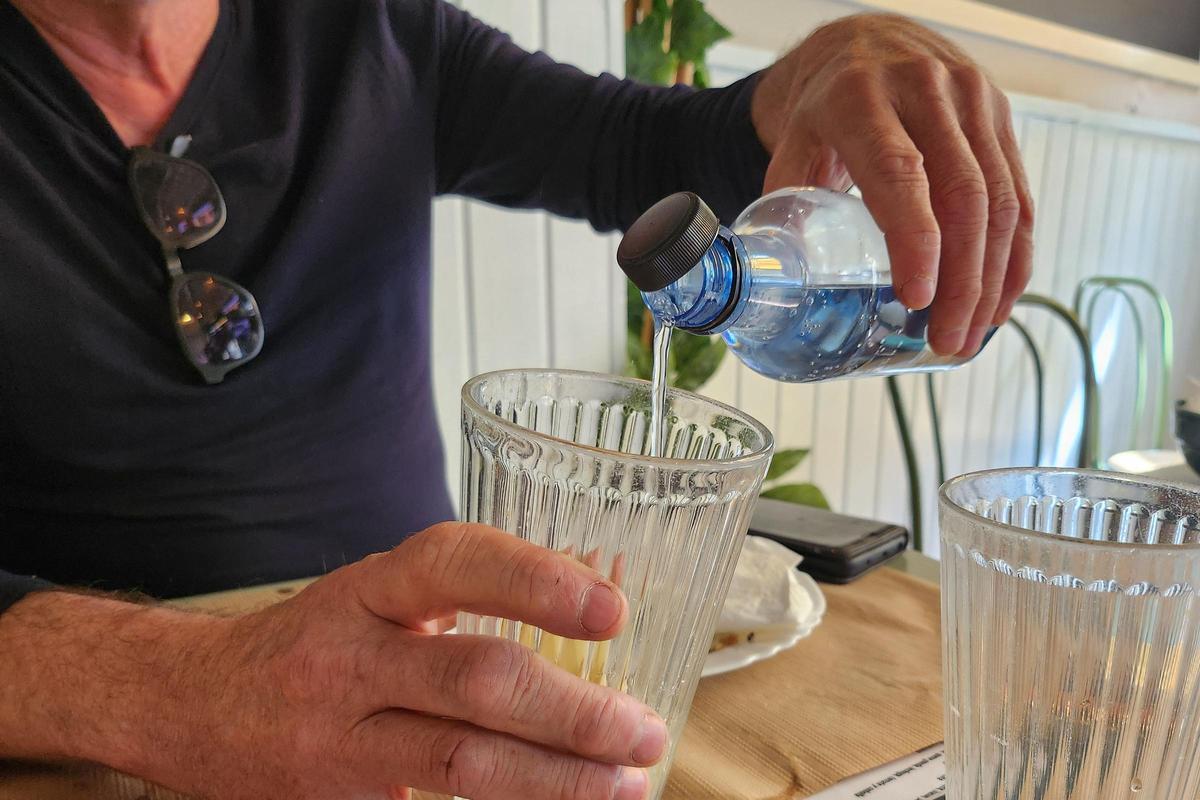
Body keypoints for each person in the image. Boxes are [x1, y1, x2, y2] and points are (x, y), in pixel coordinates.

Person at [0, 0, 1032, 797]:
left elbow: (633, 147)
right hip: (84, 751)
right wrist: (181, 688)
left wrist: (809, 77)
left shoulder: (368, 29)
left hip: (431, 709)